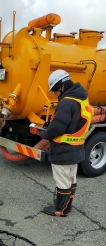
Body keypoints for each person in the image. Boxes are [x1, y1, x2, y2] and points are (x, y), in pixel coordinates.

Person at [39, 69, 94, 217]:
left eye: (55, 91)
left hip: (62, 151)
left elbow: (57, 128)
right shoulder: (81, 99)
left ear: (62, 86)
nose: (55, 94)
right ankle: (67, 206)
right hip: (76, 149)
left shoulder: (66, 103)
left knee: (62, 180)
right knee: (71, 179)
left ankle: (60, 210)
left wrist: (43, 133)